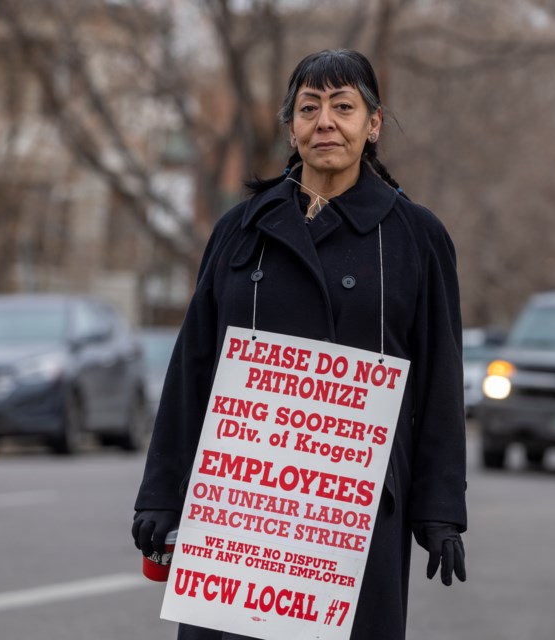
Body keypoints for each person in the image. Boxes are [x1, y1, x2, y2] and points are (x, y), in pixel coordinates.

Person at [132, 49, 467, 640]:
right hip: (241, 508)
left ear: (374, 124)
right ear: (291, 125)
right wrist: (162, 493)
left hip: (355, 511)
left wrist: (438, 511)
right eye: (309, 108)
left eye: (343, 107)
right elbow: (193, 366)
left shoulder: (416, 236)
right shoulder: (241, 229)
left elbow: (440, 380)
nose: (325, 123)